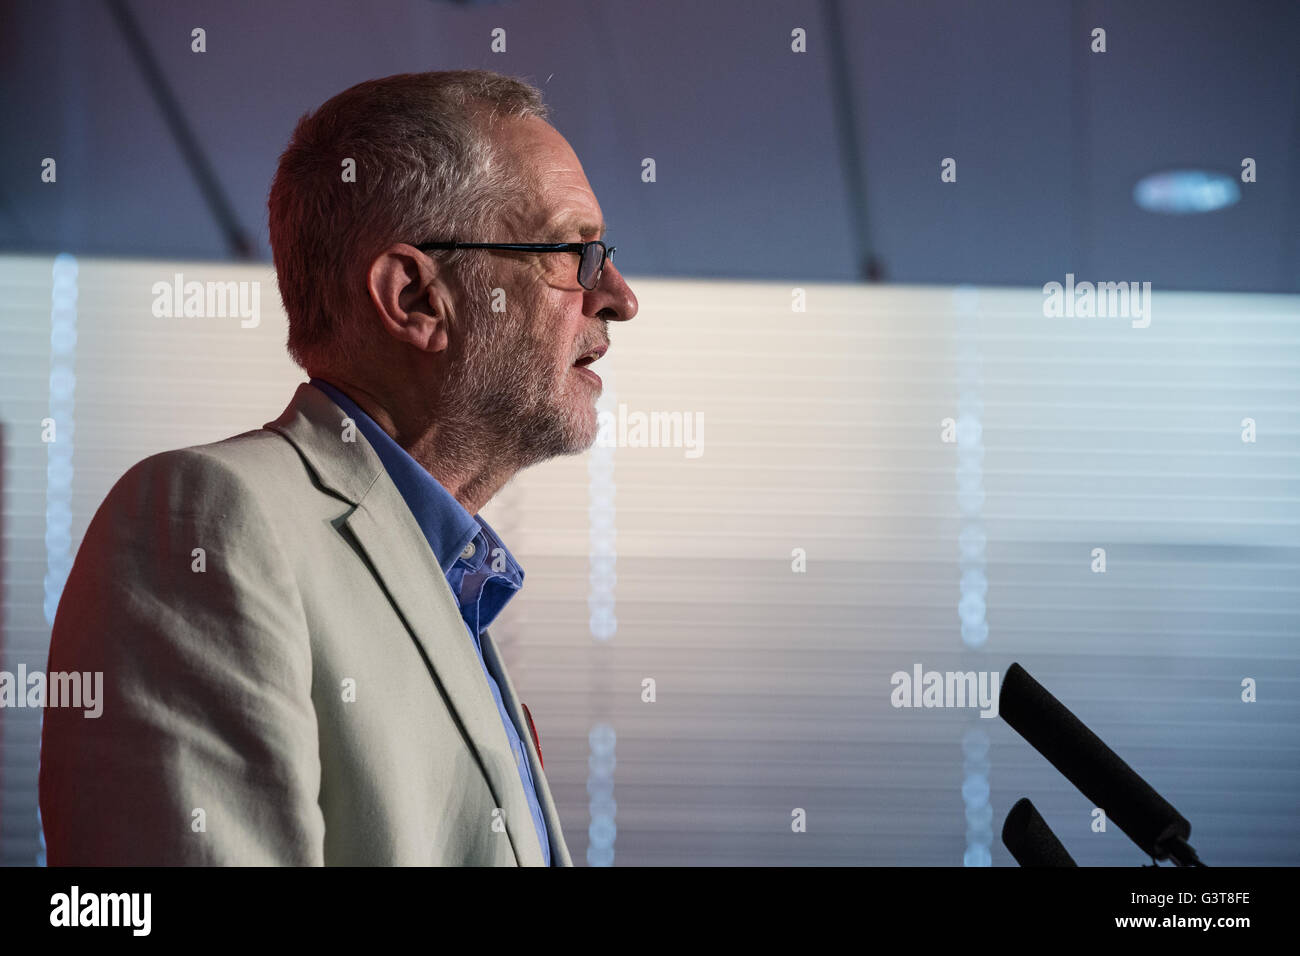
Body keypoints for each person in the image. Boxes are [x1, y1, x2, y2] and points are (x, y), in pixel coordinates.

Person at [38, 69, 638, 865]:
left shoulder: (452, 577)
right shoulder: (204, 520)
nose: (619, 297)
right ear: (416, 299)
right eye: (573, 253)